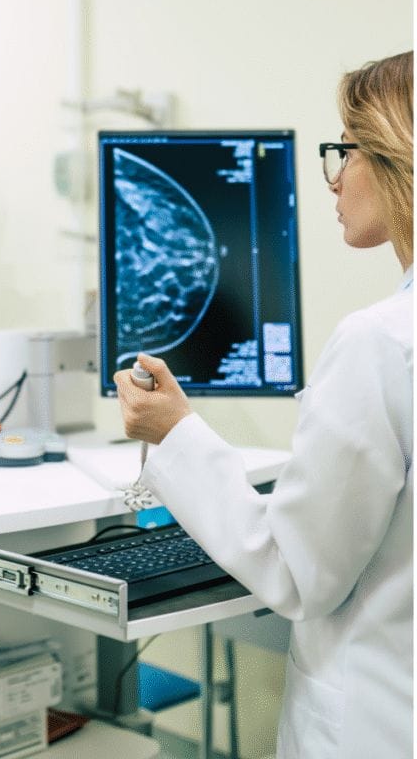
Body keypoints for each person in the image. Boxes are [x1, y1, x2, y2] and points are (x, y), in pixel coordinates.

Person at [113, 51, 413, 758]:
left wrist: (174, 433)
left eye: (346, 149)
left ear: (396, 155)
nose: (335, 177)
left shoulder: (381, 341)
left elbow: (297, 573)